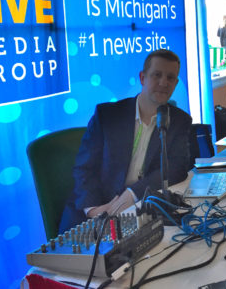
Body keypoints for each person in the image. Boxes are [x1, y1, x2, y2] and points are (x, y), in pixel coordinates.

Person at [59, 49, 193, 232]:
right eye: (157, 75)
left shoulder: (179, 120)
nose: (164, 83)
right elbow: (85, 168)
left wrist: (133, 193)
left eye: (170, 78)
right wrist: (95, 210)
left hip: (141, 209)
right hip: (96, 211)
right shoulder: (108, 115)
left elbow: (177, 166)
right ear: (142, 77)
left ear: (176, 83)